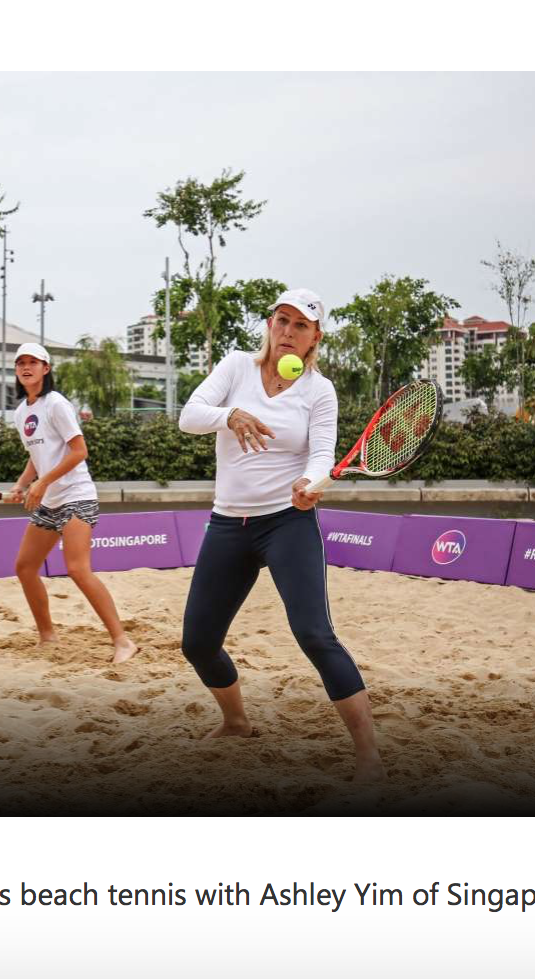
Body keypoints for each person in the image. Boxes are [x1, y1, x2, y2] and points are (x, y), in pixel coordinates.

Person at [176, 289, 385, 781]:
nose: (287, 331)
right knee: (198, 643)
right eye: (281, 320)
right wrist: (230, 414)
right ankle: (236, 722)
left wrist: (309, 486)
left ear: (315, 338)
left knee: (314, 633)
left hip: (286, 522)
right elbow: (189, 417)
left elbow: (320, 455)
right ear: (270, 323)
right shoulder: (235, 367)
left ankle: (369, 756)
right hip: (229, 522)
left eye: (300, 326)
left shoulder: (319, 390)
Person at [5, 343, 139, 664]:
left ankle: (122, 641)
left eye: (33, 362)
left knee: (77, 569)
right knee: (25, 568)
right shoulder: (22, 412)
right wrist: (23, 484)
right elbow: (36, 458)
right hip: (50, 501)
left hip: (77, 495)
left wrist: (42, 483)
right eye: (21, 363)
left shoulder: (56, 405)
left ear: (46, 369)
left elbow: (80, 452)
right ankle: (47, 636)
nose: (26, 367)